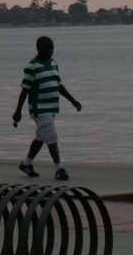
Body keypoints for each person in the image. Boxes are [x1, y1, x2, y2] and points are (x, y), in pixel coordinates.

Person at [12, 35, 82, 181]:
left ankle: (26, 164)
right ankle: (59, 168)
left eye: (52, 49)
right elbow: (24, 90)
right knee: (51, 136)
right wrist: (18, 111)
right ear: (40, 49)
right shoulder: (32, 67)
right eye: (48, 49)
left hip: (52, 108)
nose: (51, 52)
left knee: (42, 137)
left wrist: (73, 101)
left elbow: (58, 86)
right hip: (39, 109)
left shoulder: (53, 63)